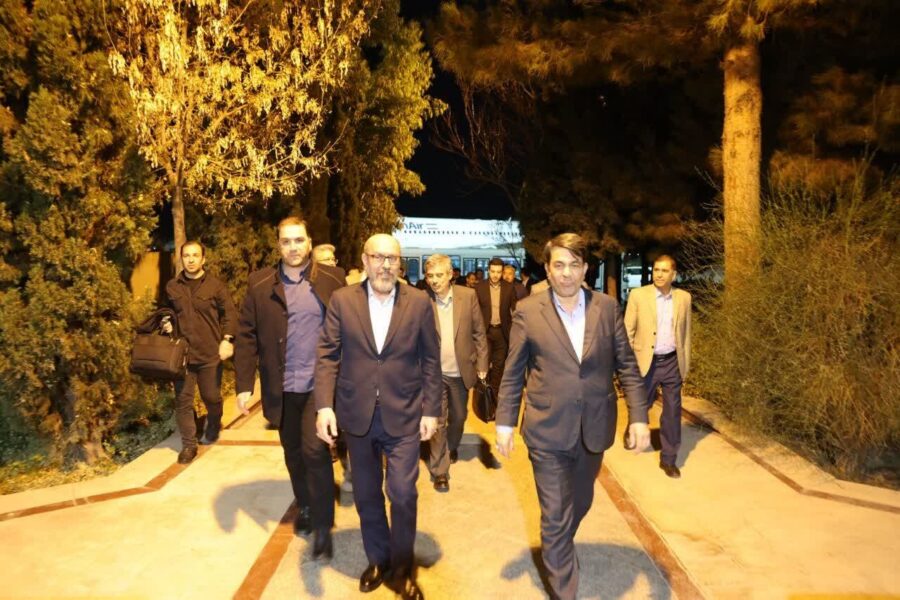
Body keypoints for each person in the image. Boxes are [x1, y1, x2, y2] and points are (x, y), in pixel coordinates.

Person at [495, 232, 650, 600]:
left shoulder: (607, 308)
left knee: (579, 503)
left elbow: (627, 365)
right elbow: (513, 371)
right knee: (555, 516)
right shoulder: (528, 311)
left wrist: (639, 417)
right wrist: (504, 421)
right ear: (547, 269)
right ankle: (565, 587)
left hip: (593, 426)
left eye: (574, 265)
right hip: (546, 429)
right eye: (559, 265)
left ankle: (559, 546)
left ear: (585, 269)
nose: (566, 273)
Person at [315, 233, 441, 600]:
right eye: (378, 257)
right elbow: (327, 355)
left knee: (402, 493)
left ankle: (402, 569)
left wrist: (432, 409)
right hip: (357, 415)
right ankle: (378, 559)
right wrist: (324, 405)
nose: (385, 265)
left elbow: (431, 360)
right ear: (365, 260)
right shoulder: (342, 300)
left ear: (400, 264)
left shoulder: (418, 302)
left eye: (392, 258)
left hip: (405, 413)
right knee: (367, 494)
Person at [234, 216, 345, 559]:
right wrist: (243, 384)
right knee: (293, 453)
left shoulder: (332, 279)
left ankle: (323, 524)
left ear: (309, 242)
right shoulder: (259, 283)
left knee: (315, 451)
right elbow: (246, 335)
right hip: (280, 386)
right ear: (278, 245)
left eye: (299, 240)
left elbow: (349, 330)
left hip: (319, 386)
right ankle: (306, 504)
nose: (293, 247)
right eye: (286, 241)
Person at [164, 241, 238, 464]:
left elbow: (230, 314)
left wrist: (227, 339)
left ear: (203, 259)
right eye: (187, 255)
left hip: (209, 354)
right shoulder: (172, 287)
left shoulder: (215, 286)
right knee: (183, 401)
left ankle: (214, 423)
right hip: (183, 356)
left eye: (195, 255)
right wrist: (166, 322)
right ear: (181, 259)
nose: (191, 259)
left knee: (211, 397)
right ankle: (189, 445)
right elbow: (165, 311)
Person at [423, 254, 489, 492]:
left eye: (439, 275)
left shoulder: (467, 296)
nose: (434, 280)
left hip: (461, 371)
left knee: (459, 417)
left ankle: (450, 446)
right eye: (430, 276)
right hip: (433, 375)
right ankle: (440, 471)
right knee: (438, 421)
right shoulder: (422, 300)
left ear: (451, 274)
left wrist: (482, 364)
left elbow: (479, 332)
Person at [623, 254, 692, 478]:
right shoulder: (638, 295)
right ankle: (633, 426)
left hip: (672, 362)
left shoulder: (684, 298)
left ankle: (669, 459)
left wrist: (685, 364)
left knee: (672, 412)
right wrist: (628, 364)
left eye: (664, 270)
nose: (659, 274)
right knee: (641, 404)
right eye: (656, 270)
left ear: (674, 274)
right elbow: (627, 331)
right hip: (646, 361)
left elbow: (686, 334)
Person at [475, 258, 517, 400]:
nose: (495, 275)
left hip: (502, 333)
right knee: (483, 367)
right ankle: (482, 401)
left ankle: (494, 401)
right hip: (485, 333)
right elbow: (474, 311)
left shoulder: (509, 287)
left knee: (498, 369)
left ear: (502, 272)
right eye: (492, 271)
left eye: (498, 272)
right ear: (488, 270)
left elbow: (515, 310)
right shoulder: (479, 287)